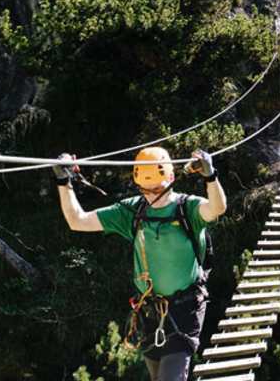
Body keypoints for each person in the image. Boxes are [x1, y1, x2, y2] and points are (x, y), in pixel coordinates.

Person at [54, 147, 225, 381]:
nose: (151, 195)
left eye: (156, 189)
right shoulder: (132, 211)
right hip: (149, 312)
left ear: (171, 179)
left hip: (186, 307)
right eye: (146, 190)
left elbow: (217, 208)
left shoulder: (188, 208)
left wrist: (210, 177)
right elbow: (77, 221)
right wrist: (64, 182)